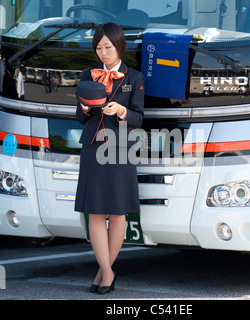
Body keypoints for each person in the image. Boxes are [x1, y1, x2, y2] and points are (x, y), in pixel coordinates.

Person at [74, 23, 144, 294]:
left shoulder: (134, 77)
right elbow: (81, 119)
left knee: (117, 212)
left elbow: (139, 118)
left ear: (119, 47)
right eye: (98, 48)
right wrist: (82, 108)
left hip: (119, 148)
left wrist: (122, 111)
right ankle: (108, 272)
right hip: (93, 147)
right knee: (94, 211)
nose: (102, 53)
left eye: (107, 47)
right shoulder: (87, 75)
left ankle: (104, 273)